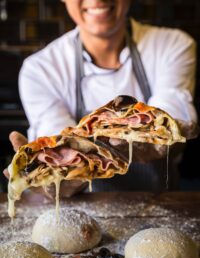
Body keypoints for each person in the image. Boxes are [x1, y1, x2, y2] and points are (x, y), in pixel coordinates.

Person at [5, 0, 198, 195]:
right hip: (80, 210)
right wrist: (60, 169)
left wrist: (161, 137)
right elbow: (54, 138)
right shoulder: (41, 68)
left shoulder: (173, 45)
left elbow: (173, 116)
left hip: (161, 204)